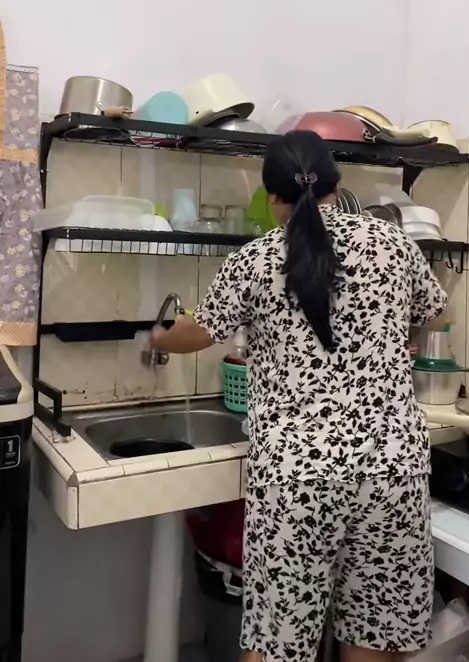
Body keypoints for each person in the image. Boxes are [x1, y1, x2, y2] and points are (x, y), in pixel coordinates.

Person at [151, 130, 447, 662]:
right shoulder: (394, 245)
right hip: (391, 469)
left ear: (273, 198)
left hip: (298, 475)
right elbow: (437, 315)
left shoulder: (257, 259)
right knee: (373, 635)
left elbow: (200, 331)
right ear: (338, 183)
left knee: (279, 640)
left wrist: (159, 338)